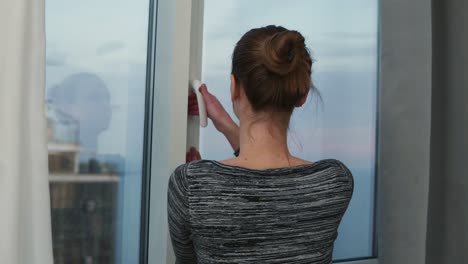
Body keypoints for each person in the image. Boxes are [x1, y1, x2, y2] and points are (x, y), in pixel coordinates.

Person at [168, 25, 354, 264]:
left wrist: (203, 177)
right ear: (302, 94)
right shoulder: (334, 182)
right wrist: (224, 123)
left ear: (233, 86)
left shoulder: (191, 183)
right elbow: (270, 182)